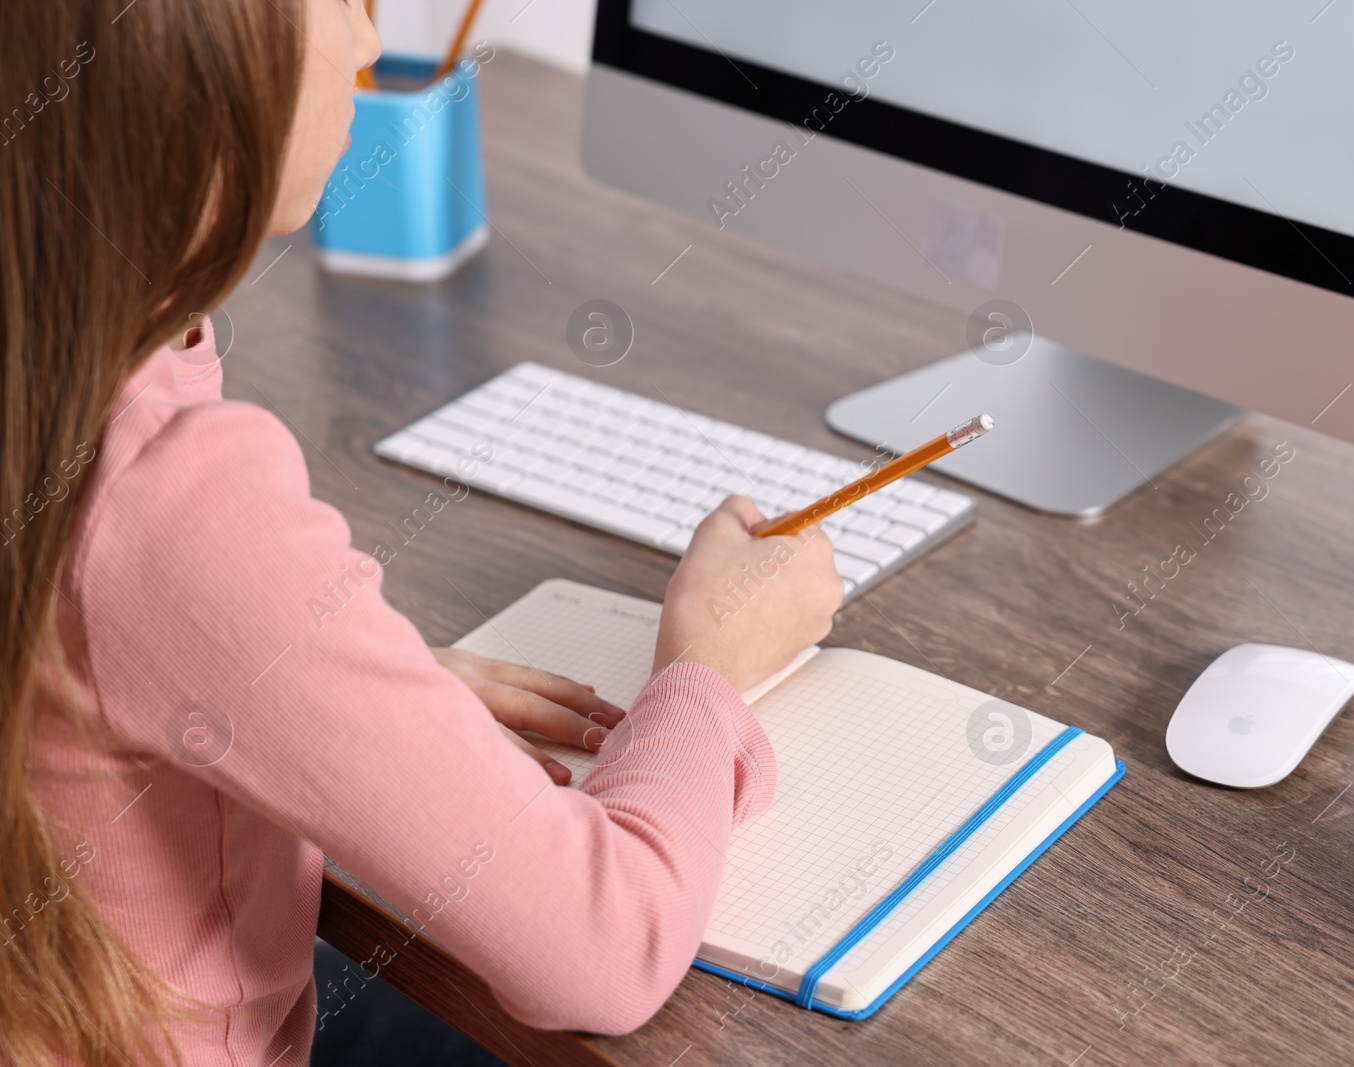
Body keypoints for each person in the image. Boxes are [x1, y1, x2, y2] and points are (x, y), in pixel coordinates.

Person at [0, 3, 843, 1065]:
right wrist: (706, 664)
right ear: (176, 64)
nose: (371, 34)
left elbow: (92, 662)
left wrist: (315, 685)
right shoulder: (170, 497)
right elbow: (604, 949)